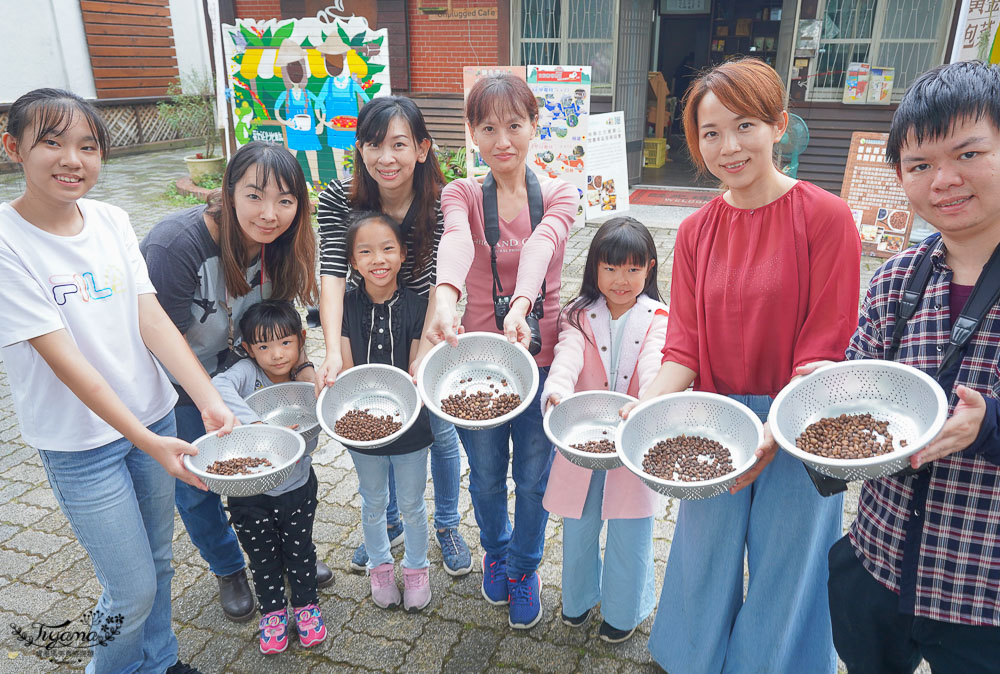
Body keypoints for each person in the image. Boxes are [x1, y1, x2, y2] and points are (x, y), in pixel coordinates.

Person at [623, 58, 861, 672]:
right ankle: (690, 658)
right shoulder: (697, 230)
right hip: (716, 421)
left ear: (779, 125)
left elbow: (824, 349)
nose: (728, 146)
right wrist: (643, 409)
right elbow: (685, 348)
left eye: (745, 125)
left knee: (791, 562)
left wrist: (779, 426)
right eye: (710, 132)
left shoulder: (827, 219)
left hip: (804, 421)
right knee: (702, 552)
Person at [0, 88, 235, 674]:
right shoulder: (7, 243)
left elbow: (149, 317)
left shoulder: (112, 219)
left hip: (152, 416)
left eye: (87, 146)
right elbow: (67, 363)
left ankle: (162, 663)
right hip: (81, 446)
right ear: (13, 148)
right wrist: (149, 442)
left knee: (157, 566)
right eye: (51, 143)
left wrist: (207, 400)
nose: (71, 159)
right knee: (128, 591)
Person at [823, 60, 1000, 672]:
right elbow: (857, 381)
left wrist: (990, 425)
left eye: (968, 154)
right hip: (880, 556)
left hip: (982, 592)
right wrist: (822, 403)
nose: (943, 180)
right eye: (920, 165)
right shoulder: (898, 277)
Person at [141, 141, 326, 623]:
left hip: (242, 370)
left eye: (286, 200)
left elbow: (281, 315)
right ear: (227, 192)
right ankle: (229, 568)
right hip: (174, 379)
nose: (270, 214)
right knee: (199, 481)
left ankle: (289, 558)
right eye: (255, 196)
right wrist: (205, 395)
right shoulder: (175, 245)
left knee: (275, 460)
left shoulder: (281, 245)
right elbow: (157, 334)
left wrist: (304, 370)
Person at [423, 72, 578, 629]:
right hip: (480, 365)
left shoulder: (560, 192)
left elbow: (541, 244)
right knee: (486, 474)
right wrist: (446, 296)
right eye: (488, 127)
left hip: (540, 361)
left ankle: (525, 566)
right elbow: (458, 240)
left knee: (534, 477)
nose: (502, 139)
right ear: (472, 133)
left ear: (535, 125)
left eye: (514, 125)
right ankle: (495, 550)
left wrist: (523, 303)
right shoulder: (460, 193)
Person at [315, 96, 473, 577]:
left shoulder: (442, 204)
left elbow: (433, 288)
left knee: (439, 430)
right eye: (374, 144)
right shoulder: (337, 199)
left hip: (426, 321)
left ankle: (445, 523)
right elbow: (332, 276)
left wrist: (421, 361)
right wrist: (331, 351)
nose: (387, 157)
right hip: (365, 325)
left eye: (399, 144)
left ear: (422, 149)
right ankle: (386, 523)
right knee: (376, 415)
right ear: (360, 149)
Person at [541, 217, 667, 643]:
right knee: (578, 526)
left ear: (649, 269)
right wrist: (557, 390)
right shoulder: (578, 314)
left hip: (634, 443)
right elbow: (567, 356)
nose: (621, 280)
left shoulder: (659, 316)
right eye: (611, 268)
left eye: (633, 269)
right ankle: (577, 600)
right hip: (583, 442)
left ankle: (623, 611)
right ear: (594, 267)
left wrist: (648, 401)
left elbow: (655, 363)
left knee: (630, 532)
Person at [211, 300, 326, 654]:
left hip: (297, 488)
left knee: (300, 551)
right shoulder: (247, 373)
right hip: (249, 493)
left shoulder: (305, 379)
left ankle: (307, 608)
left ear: (301, 339)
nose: (277, 354)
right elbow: (218, 385)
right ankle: (273, 613)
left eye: (286, 343)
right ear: (248, 349)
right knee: (263, 558)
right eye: (264, 346)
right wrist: (258, 426)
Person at [340, 212, 434, 612]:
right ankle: (380, 567)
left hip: (411, 424)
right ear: (353, 261)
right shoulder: (344, 304)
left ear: (403, 254)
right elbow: (345, 367)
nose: (377, 259)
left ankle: (416, 568)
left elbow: (417, 365)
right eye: (365, 251)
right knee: (373, 500)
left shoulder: (418, 304)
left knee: (412, 503)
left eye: (387, 249)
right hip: (361, 425)